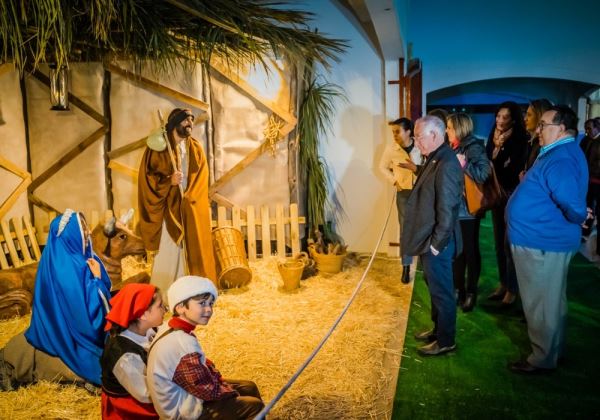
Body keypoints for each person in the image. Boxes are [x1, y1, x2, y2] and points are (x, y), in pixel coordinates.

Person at [506, 105, 587, 373]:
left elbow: (572, 204)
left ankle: (541, 359)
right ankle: (552, 350)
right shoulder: (557, 153)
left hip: (542, 242)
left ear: (562, 128)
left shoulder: (560, 158)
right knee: (551, 301)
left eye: (544, 125)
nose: (538, 130)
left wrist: (579, 215)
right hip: (542, 240)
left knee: (540, 303)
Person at [0, 210, 112, 391]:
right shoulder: (67, 269)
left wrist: (97, 279)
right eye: (82, 228)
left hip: (62, 326)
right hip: (70, 333)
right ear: (70, 233)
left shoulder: (73, 258)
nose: (88, 232)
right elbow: (86, 320)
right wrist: (97, 280)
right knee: (98, 365)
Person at [147, 276, 264, 419]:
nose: (209, 309)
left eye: (211, 303)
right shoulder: (183, 344)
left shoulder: (170, 326)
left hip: (185, 395)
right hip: (184, 412)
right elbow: (207, 390)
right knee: (253, 406)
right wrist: (231, 393)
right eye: (202, 303)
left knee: (248, 387)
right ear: (180, 307)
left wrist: (220, 382)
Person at [402, 116, 463, 356]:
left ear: (435, 136)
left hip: (438, 242)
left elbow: (447, 210)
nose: (416, 142)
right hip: (431, 239)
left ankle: (446, 340)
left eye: (419, 137)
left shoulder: (446, 163)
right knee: (435, 288)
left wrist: (437, 245)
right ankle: (438, 330)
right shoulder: (437, 157)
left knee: (442, 291)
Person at [138, 108, 217, 291]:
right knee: (169, 250)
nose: (190, 123)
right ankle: (164, 294)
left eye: (191, 120)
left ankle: (188, 292)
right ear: (175, 123)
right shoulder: (159, 147)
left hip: (188, 208)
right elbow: (148, 179)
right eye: (185, 120)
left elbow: (201, 176)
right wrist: (169, 181)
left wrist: (190, 198)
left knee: (190, 248)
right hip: (168, 209)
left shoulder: (195, 147)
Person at [485, 101, 528, 306]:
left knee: (509, 243)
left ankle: (512, 290)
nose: (500, 121)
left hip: (510, 193)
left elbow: (514, 168)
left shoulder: (520, 138)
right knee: (498, 243)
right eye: (498, 116)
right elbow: (489, 162)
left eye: (505, 117)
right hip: (496, 194)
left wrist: (500, 167)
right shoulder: (493, 135)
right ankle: (503, 283)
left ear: (513, 119)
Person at [101, 283, 166, 419]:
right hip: (131, 405)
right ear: (143, 314)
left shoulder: (148, 329)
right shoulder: (124, 356)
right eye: (160, 306)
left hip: (153, 384)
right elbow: (145, 393)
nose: (165, 309)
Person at [446, 113, 491, 312]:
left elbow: (483, 174)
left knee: (470, 250)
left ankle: (471, 291)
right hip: (455, 208)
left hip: (469, 209)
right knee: (457, 250)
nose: (446, 131)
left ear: (458, 128)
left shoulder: (473, 147)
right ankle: (458, 289)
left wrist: (463, 164)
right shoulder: (452, 147)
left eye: (449, 127)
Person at [378, 118, 422, 283]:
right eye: (393, 132)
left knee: (423, 228)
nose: (394, 135)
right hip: (403, 194)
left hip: (421, 193)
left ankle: (425, 264)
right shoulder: (391, 149)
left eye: (397, 131)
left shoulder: (420, 145)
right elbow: (381, 167)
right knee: (405, 231)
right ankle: (406, 267)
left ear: (408, 131)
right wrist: (394, 181)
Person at [580, 118, 600, 239]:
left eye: (589, 128)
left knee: (595, 206)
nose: (587, 131)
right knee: (587, 204)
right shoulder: (585, 140)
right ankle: (585, 230)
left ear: (597, 128)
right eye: (586, 128)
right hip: (587, 179)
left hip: (596, 181)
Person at [523, 99, 553, 172]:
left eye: (529, 115)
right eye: (526, 114)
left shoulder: (542, 145)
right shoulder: (532, 143)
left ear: (540, 117)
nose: (525, 119)